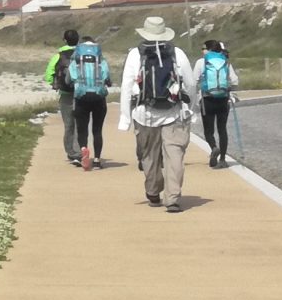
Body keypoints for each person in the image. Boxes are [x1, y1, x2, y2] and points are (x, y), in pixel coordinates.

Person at [122, 14, 201, 212]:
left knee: (149, 156)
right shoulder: (177, 53)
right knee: (174, 157)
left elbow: (126, 86)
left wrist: (125, 117)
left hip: (144, 114)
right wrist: (190, 109)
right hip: (174, 113)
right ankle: (172, 197)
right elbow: (191, 84)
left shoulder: (135, 54)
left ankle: (153, 191)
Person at [65, 31, 111, 169]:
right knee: (97, 130)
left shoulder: (76, 61)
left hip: (81, 97)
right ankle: (96, 160)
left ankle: (84, 149)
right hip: (99, 98)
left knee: (82, 129)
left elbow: (68, 80)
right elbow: (107, 79)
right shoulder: (101, 61)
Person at [197, 38, 238, 167]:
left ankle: (214, 147)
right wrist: (229, 89)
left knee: (208, 130)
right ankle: (223, 159)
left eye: (204, 48)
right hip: (223, 99)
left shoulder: (201, 62)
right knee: (222, 129)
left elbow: (193, 81)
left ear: (209, 49)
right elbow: (235, 80)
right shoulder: (225, 61)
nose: (202, 51)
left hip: (207, 99)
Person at [46, 29, 82, 157]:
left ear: (65, 40)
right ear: (78, 40)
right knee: (80, 124)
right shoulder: (83, 54)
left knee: (68, 125)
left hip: (65, 94)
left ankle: (70, 151)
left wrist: (56, 84)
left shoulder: (58, 56)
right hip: (82, 95)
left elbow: (49, 75)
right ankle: (78, 150)